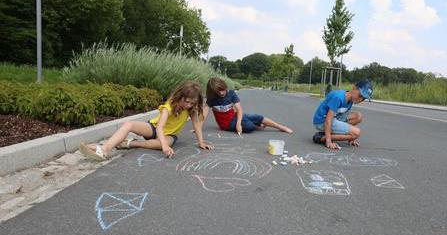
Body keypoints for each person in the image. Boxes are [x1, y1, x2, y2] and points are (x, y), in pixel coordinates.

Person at [79, 81, 213, 161]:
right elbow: (159, 127)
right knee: (129, 123)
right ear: (180, 96)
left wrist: (200, 142)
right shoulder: (170, 105)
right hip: (153, 128)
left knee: (166, 142)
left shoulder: (192, 110)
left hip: (169, 135)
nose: (188, 105)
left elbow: (196, 124)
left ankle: (131, 144)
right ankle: (104, 149)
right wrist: (165, 147)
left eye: (192, 102)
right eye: (186, 101)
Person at [204, 77, 293, 135]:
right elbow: (203, 115)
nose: (221, 93)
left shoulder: (231, 93)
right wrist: (198, 128)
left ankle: (280, 127)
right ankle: (257, 127)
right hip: (226, 125)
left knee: (257, 117)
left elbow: (239, 110)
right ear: (213, 92)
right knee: (248, 126)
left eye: (222, 90)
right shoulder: (212, 99)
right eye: (218, 91)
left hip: (235, 117)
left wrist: (238, 124)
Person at [312, 80, 373, 149]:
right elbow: (328, 120)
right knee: (356, 133)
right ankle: (322, 138)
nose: (360, 100)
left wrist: (351, 138)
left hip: (333, 118)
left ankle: (330, 134)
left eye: (363, 99)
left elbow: (343, 116)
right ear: (354, 88)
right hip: (321, 121)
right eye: (360, 95)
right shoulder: (338, 97)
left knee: (358, 116)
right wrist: (328, 142)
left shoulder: (350, 100)